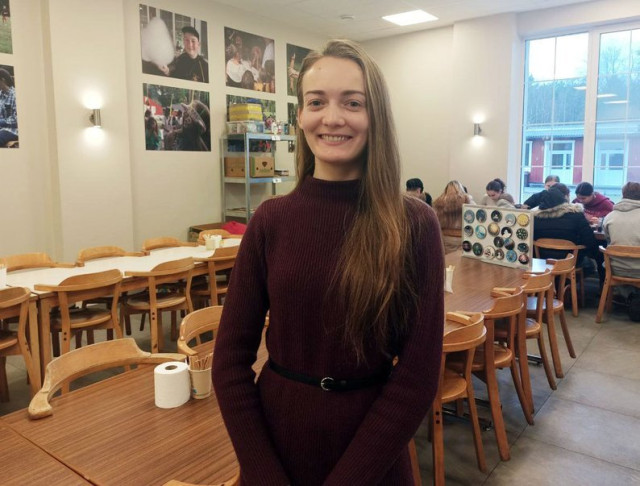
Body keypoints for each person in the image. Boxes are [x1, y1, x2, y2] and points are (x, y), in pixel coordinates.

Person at [212, 39, 444, 485]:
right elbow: (229, 362)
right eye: (317, 102)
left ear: (375, 116)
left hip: (372, 463)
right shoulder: (270, 220)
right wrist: (263, 475)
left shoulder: (414, 224)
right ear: (300, 116)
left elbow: (416, 380)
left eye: (352, 103)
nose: (332, 118)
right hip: (274, 456)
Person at [533, 183, 598, 266]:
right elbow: (589, 241)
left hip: (541, 261)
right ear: (565, 197)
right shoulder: (576, 214)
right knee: (591, 263)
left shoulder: (536, 217)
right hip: (570, 262)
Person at [602, 181, 640, 309]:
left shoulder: (609, 216)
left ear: (623, 194)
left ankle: (629, 296)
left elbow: (607, 240)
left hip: (616, 268)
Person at [433, 180, 474, 253]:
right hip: (464, 239)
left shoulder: (438, 203)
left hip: (444, 239)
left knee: (447, 259)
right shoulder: (469, 202)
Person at [0, 68, 18, 147]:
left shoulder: (15, 95)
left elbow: (17, 119)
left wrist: (2, 122)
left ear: (3, 80)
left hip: (11, 130)